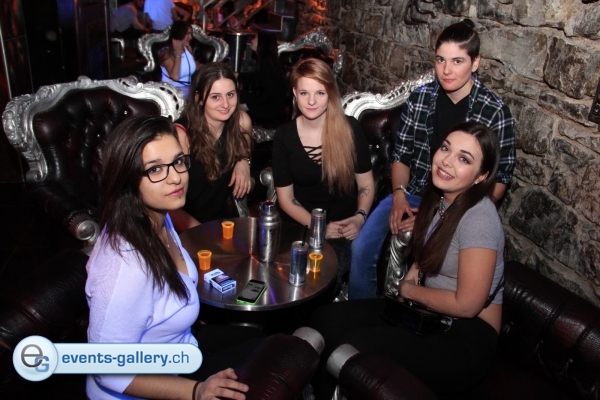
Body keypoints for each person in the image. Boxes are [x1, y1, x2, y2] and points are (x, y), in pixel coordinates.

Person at [311, 121, 505, 397]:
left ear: (481, 176)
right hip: (427, 315)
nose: (447, 161)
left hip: (467, 337)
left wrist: (409, 289)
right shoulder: (442, 198)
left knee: (351, 345)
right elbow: (439, 245)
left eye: (464, 159)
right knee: (326, 319)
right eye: (446, 148)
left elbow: (467, 305)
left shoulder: (480, 219)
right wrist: (416, 268)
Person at [86, 116, 263, 400]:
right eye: (155, 169)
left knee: (265, 342)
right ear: (127, 178)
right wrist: (196, 391)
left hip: (180, 352)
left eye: (179, 161)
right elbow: (107, 370)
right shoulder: (125, 266)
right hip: (141, 388)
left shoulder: (158, 216)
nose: (176, 177)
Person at [347, 19, 515, 300]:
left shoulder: (494, 111)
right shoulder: (420, 98)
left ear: (475, 63)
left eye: (457, 61)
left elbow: (500, 180)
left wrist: (441, 217)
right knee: (361, 246)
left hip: (459, 203)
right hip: (413, 193)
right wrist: (398, 195)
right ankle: (359, 315)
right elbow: (402, 155)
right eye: (440, 60)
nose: (446, 70)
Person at [272, 58, 375, 286]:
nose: (311, 101)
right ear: (295, 93)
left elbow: (366, 183)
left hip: (343, 228)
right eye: (304, 93)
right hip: (300, 226)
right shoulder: (284, 136)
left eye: (319, 93)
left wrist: (360, 218)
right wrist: (318, 228)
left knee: (321, 277)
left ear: (330, 93)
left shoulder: (349, 129)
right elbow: (285, 198)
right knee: (282, 278)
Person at [170, 63, 253, 231]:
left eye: (230, 94)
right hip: (183, 226)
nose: (225, 104)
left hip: (221, 224)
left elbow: (244, 151)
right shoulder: (181, 136)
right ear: (199, 99)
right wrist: (200, 233)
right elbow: (167, 205)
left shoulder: (241, 122)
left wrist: (243, 161)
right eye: (215, 97)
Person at [239, 31, 287, 126]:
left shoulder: (266, 62)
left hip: (272, 110)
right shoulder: (267, 60)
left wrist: (247, 106)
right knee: (237, 95)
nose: (252, 40)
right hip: (272, 106)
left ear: (262, 42)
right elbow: (255, 77)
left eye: (255, 38)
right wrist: (239, 76)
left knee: (237, 99)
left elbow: (268, 93)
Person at [159, 20, 201, 98]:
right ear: (179, 34)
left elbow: (194, 65)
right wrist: (178, 53)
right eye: (187, 34)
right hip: (171, 91)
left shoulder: (188, 48)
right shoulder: (166, 52)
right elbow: (175, 77)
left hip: (188, 89)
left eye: (191, 34)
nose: (190, 37)